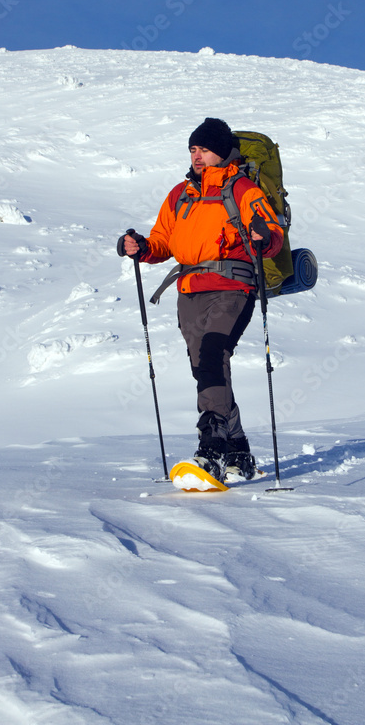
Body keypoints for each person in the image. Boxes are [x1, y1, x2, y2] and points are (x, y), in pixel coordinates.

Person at [117, 117, 284, 481]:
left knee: (212, 355)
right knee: (207, 370)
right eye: (193, 149)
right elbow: (163, 241)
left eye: (204, 149)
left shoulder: (242, 189)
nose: (197, 155)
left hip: (233, 286)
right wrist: (141, 247)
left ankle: (211, 448)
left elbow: (272, 236)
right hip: (189, 291)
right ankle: (239, 449)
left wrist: (262, 237)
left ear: (221, 152)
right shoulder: (181, 193)